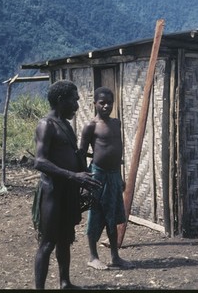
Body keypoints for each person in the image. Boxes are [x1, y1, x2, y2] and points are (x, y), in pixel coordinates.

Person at [33, 80, 101, 289]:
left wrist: (87, 173)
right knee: (48, 243)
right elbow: (40, 161)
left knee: (65, 238)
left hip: (68, 191)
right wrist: (73, 176)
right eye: (74, 100)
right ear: (61, 100)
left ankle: (65, 282)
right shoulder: (47, 125)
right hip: (52, 191)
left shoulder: (66, 125)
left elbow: (71, 155)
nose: (77, 105)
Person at [79, 86, 134, 270]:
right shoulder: (91, 126)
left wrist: (120, 177)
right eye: (102, 103)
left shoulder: (116, 123)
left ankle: (115, 256)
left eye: (109, 103)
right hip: (97, 174)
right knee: (96, 214)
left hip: (113, 175)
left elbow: (116, 151)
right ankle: (93, 256)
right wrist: (84, 179)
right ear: (94, 103)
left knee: (113, 215)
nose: (106, 106)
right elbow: (81, 153)